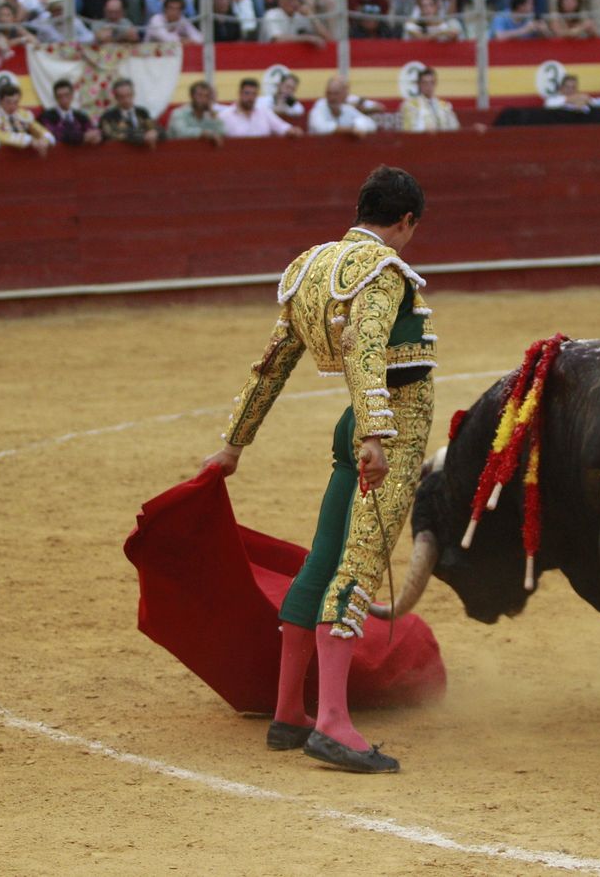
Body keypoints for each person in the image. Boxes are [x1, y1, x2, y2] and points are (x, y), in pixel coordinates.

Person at [200, 165, 437, 774]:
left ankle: (289, 714)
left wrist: (234, 444)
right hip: (389, 430)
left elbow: (272, 363)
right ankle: (331, 722)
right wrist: (378, 439)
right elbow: (364, 352)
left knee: (322, 560)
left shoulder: (309, 268)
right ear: (405, 221)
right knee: (354, 566)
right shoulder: (384, 273)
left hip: (351, 426)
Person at [0, 81, 54, 153]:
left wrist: (44, 140)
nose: (12, 106)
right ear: (0, 101)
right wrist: (29, 140)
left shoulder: (24, 115)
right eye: (8, 102)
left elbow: (39, 129)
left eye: (16, 102)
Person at [218, 77, 298, 138]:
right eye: (247, 93)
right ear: (240, 93)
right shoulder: (225, 116)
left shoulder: (265, 112)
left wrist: (292, 130)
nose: (250, 97)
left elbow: (281, 127)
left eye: (254, 94)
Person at [39, 77, 103, 146]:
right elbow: (54, 135)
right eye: (60, 96)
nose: (64, 99)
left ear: (72, 95)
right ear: (55, 97)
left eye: (67, 95)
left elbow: (92, 129)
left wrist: (96, 135)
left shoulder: (80, 116)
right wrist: (82, 137)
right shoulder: (47, 116)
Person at [99, 77, 160, 146]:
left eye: (129, 95)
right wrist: (142, 137)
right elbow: (112, 135)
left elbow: (157, 129)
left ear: (133, 94)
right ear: (116, 97)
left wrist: (154, 132)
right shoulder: (108, 117)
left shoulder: (142, 112)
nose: (126, 100)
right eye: (121, 97)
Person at [308, 76, 376, 136]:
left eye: (336, 94)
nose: (332, 97)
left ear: (345, 95)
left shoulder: (347, 109)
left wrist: (358, 127)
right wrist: (351, 130)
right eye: (329, 93)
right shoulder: (319, 109)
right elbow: (321, 128)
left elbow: (371, 124)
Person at [165, 78, 226, 146]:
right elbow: (181, 133)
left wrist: (213, 114)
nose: (203, 99)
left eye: (206, 96)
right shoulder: (179, 113)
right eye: (200, 95)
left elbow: (222, 132)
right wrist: (203, 133)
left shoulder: (210, 115)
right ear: (191, 96)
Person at [399, 66, 459, 132]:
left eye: (431, 82)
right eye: (425, 83)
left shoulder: (444, 106)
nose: (429, 86)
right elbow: (408, 131)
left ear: (435, 84)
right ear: (419, 84)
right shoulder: (410, 106)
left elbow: (454, 129)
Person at [260, 0, 326, 45]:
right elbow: (277, 40)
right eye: (290, 0)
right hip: (270, 56)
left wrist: (311, 16)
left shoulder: (299, 15)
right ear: (280, 2)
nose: (295, 3)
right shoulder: (271, 15)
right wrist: (306, 38)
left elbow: (326, 38)